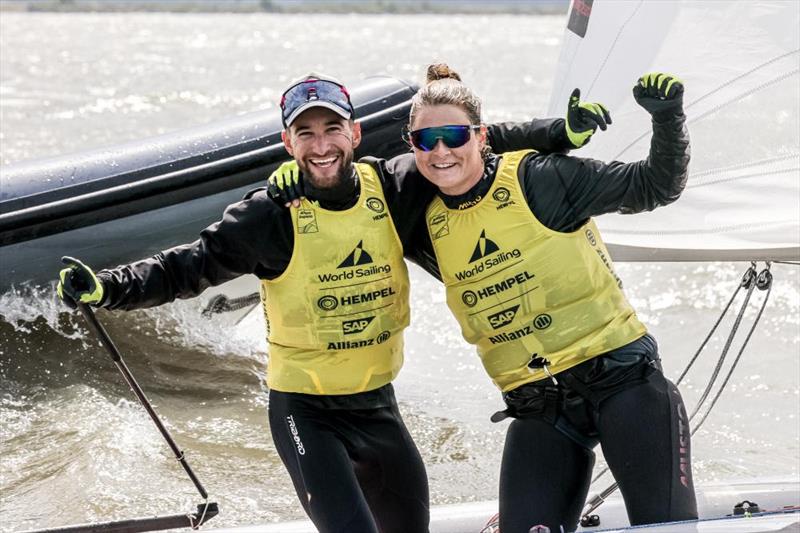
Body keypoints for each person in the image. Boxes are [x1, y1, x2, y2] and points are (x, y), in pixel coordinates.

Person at [56, 72, 610, 533]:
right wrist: (110, 287)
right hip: (307, 414)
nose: (321, 145)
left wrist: (559, 132)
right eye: (306, 134)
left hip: (378, 407)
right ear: (287, 144)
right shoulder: (268, 214)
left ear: (356, 133)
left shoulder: (392, 188)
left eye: (332, 129)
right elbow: (188, 266)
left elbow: (465, 140)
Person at [406, 65, 698, 532]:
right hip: (540, 407)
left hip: (623, 382)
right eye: (426, 140)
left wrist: (668, 119)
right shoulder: (420, 222)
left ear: (481, 137)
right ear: (412, 146)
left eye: (454, 135)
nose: (440, 151)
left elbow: (655, 186)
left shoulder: (540, 179)